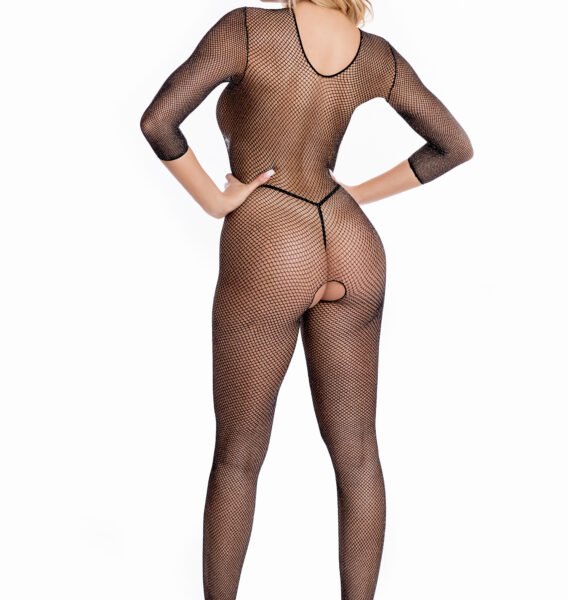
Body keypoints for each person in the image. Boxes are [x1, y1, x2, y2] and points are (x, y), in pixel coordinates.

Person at [139, 0, 473, 598]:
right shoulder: (375, 56)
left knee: (238, 458)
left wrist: (217, 201)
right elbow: (453, 145)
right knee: (359, 455)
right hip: (352, 242)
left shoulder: (248, 29)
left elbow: (159, 121)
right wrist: (355, 195)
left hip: (272, 244)